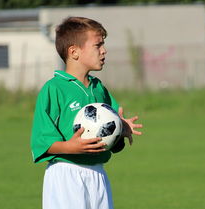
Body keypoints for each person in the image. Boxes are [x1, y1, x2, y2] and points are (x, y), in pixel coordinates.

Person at [30, 16, 143, 209]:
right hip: (66, 174)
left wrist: (120, 132)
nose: (104, 51)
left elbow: (111, 141)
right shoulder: (54, 89)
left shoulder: (99, 89)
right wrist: (70, 147)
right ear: (74, 52)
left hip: (98, 174)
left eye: (103, 45)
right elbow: (41, 142)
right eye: (98, 45)